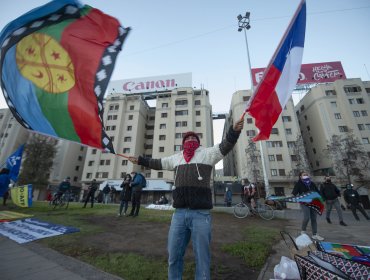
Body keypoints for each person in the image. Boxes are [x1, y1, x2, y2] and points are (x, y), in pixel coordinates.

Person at [129, 118, 244, 280]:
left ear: (198, 142)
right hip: (179, 215)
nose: (190, 140)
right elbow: (157, 162)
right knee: (173, 257)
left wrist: (234, 131)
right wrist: (140, 160)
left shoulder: (207, 154)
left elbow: (226, 145)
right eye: (187, 139)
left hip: (201, 215)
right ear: (183, 143)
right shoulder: (176, 158)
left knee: (202, 259)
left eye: (193, 138)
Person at [292, 171, 324, 241]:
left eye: (306, 174)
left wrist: (320, 198)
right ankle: (303, 231)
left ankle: (315, 234)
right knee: (307, 217)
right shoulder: (298, 184)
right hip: (304, 203)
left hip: (313, 203)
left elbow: (317, 192)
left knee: (314, 218)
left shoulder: (312, 183)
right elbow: (294, 193)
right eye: (304, 175)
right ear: (300, 177)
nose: (306, 175)